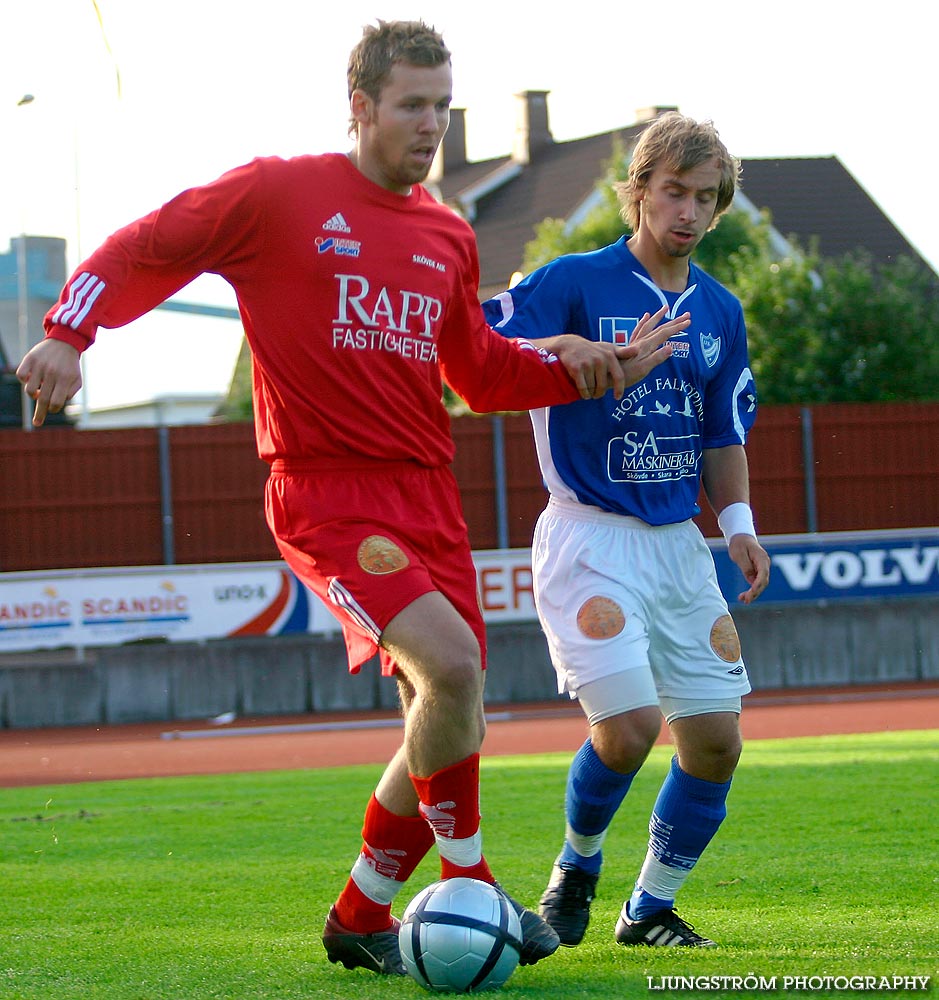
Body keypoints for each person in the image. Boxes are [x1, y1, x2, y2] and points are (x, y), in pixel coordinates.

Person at [16, 20, 688, 977]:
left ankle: (358, 914)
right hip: (327, 493)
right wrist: (70, 331)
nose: (431, 126)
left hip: (425, 493)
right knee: (452, 671)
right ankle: (480, 888)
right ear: (361, 106)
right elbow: (148, 244)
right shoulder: (276, 193)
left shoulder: (446, 232)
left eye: (443, 107)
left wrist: (580, 369)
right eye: (412, 105)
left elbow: (479, 373)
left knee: (446, 710)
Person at [482, 111, 771, 949]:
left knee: (715, 745)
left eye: (705, 198)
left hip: (679, 546)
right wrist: (567, 347)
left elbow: (723, 430)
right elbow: (471, 343)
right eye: (673, 191)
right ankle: (575, 863)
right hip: (588, 535)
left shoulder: (719, 309)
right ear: (637, 192)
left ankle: (646, 910)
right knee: (630, 729)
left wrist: (740, 526)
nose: (687, 211)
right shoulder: (573, 280)